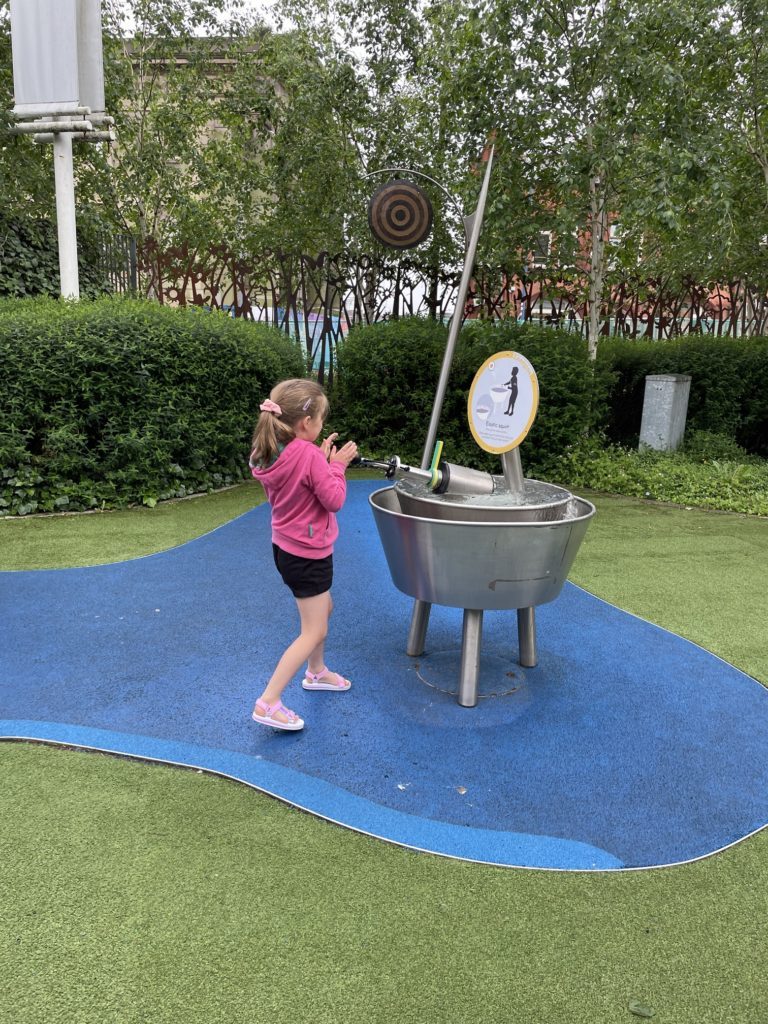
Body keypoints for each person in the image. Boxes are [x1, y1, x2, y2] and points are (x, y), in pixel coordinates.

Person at [248, 378, 358, 731]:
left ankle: (316, 671)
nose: (322, 425)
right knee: (313, 628)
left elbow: (301, 481)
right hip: (308, 554)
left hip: (286, 548)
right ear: (305, 424)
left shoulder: (271, 452)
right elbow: (334, 499)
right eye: (321, 419)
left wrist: (321, 461)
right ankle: (268, 702)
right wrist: (336, 465)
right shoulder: (309, 455)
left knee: (324, 609)